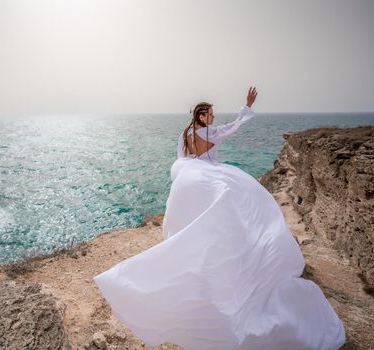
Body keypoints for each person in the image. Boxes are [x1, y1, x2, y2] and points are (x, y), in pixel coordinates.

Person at [94, 87, 346, 350]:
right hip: (205, 177)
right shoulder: (209, 133)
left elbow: (181, 158)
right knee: (244, 196)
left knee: (191, 223)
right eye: (210, 114)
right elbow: (234, 127)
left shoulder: (185, 134)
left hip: (186, 180)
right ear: (202, 116)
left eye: (213, 114)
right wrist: (246, 106)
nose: (213, 118)